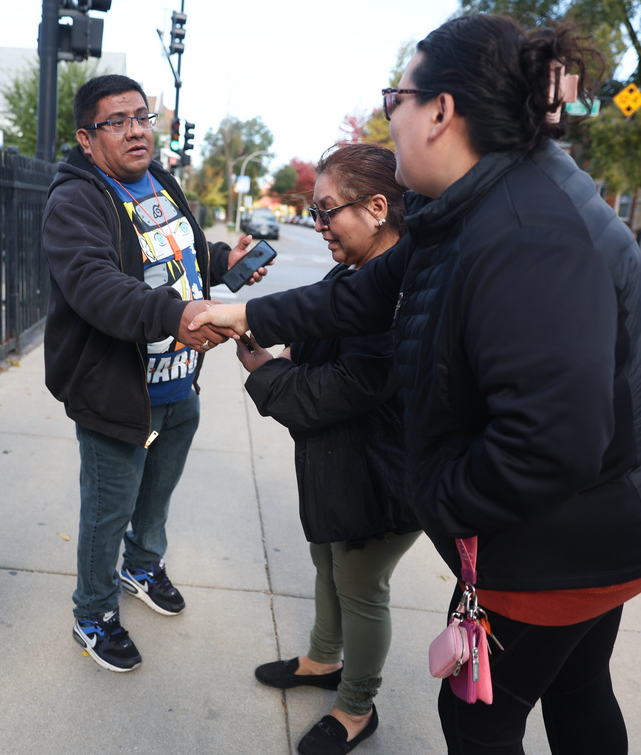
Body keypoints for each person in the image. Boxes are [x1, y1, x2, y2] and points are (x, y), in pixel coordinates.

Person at [192, 14, 641, 754]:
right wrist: (239, 309)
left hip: (583, 531)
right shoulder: (463, 203)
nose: (388, 115)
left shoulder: (527, 234)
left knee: (476, 713)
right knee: (575, 682)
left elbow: (548, 447)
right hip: (603, 515)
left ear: (440, 111)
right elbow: (360, 294)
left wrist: (433, 496)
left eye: (395, 97)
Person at [42, 74, 267, 672]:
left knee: (156, 497)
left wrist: (223, 261)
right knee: (107, 510)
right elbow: (96, 285)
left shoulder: (161, 183)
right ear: (87, 140)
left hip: (178, 383)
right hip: (117, 390)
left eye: (141, 116)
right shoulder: (77, 199)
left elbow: (174, 252)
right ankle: (93, 614)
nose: (136, 129)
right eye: (116, 121)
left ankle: (142, 566)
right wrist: (176, 312)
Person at [242, 143, 421, 755]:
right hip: (342, 464)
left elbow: (343, 391)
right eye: (312, 214)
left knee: (362, 586)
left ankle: (356, 707)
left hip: (383, 474)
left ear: (377, 207)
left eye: (325, 213)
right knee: (328, 561)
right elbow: (321, 336)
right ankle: (322, 659)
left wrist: (265, 369)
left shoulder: (399, 293)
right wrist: (281, 348)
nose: (317, 227)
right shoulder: (356, 272)